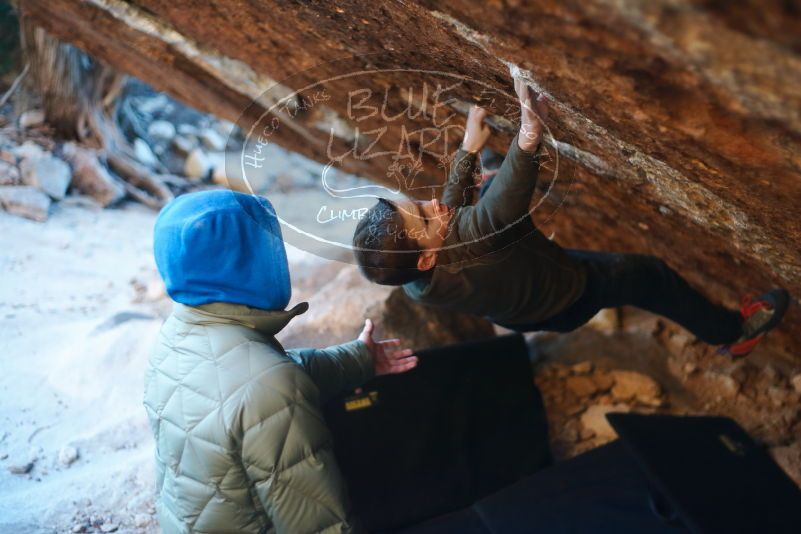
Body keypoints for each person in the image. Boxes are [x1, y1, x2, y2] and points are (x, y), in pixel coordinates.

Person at [352, 77, 788, 357]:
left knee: (486, 200)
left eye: (418, 202)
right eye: (424, 218)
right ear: (428, 257)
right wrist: (528, 135)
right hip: (570, 293)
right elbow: (491, 216)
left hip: (524, 306)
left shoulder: (413, 281)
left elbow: (459, 216)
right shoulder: (471, 238)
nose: (433, 205)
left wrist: (468, 150)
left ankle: (489, 166)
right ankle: (732, 333)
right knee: (649, 275)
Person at [144, 190, 417, 534]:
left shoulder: (175, 336)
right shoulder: (268, 385)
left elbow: (247, 392)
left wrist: (357, 360)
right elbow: (320, 525)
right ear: (240, 261)